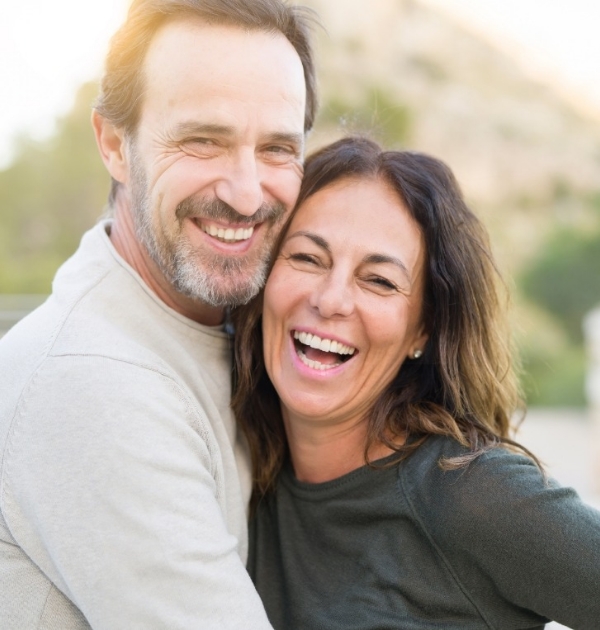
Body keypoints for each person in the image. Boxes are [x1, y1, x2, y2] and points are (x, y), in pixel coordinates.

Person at [0, 0, 317, 627]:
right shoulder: (92, 385)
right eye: (204, 141)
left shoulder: (240, 327)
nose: (247, 192)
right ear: (115, 145)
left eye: (278, 148)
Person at [233, 137, 600, 630]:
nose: (331, 299)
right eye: (306, 258)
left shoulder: (472, 493)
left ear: (423, 330)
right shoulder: (232, 471)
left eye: (379, 280)